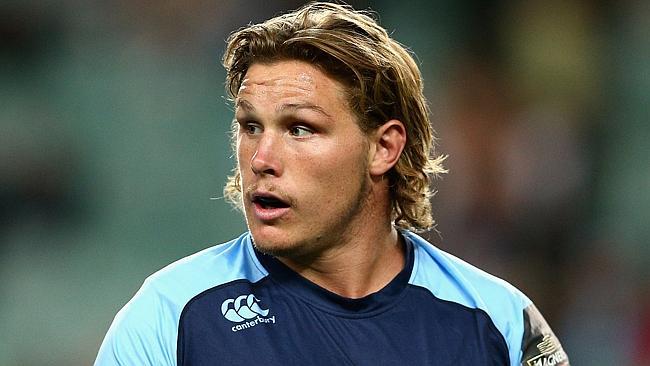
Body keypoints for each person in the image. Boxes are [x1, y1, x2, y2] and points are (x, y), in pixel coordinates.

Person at [94, 3, 569, 365]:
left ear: (383, 148)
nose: (261, 159)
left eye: (300, 128)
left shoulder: (500, 323)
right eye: (250, 126)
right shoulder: (170, 317)